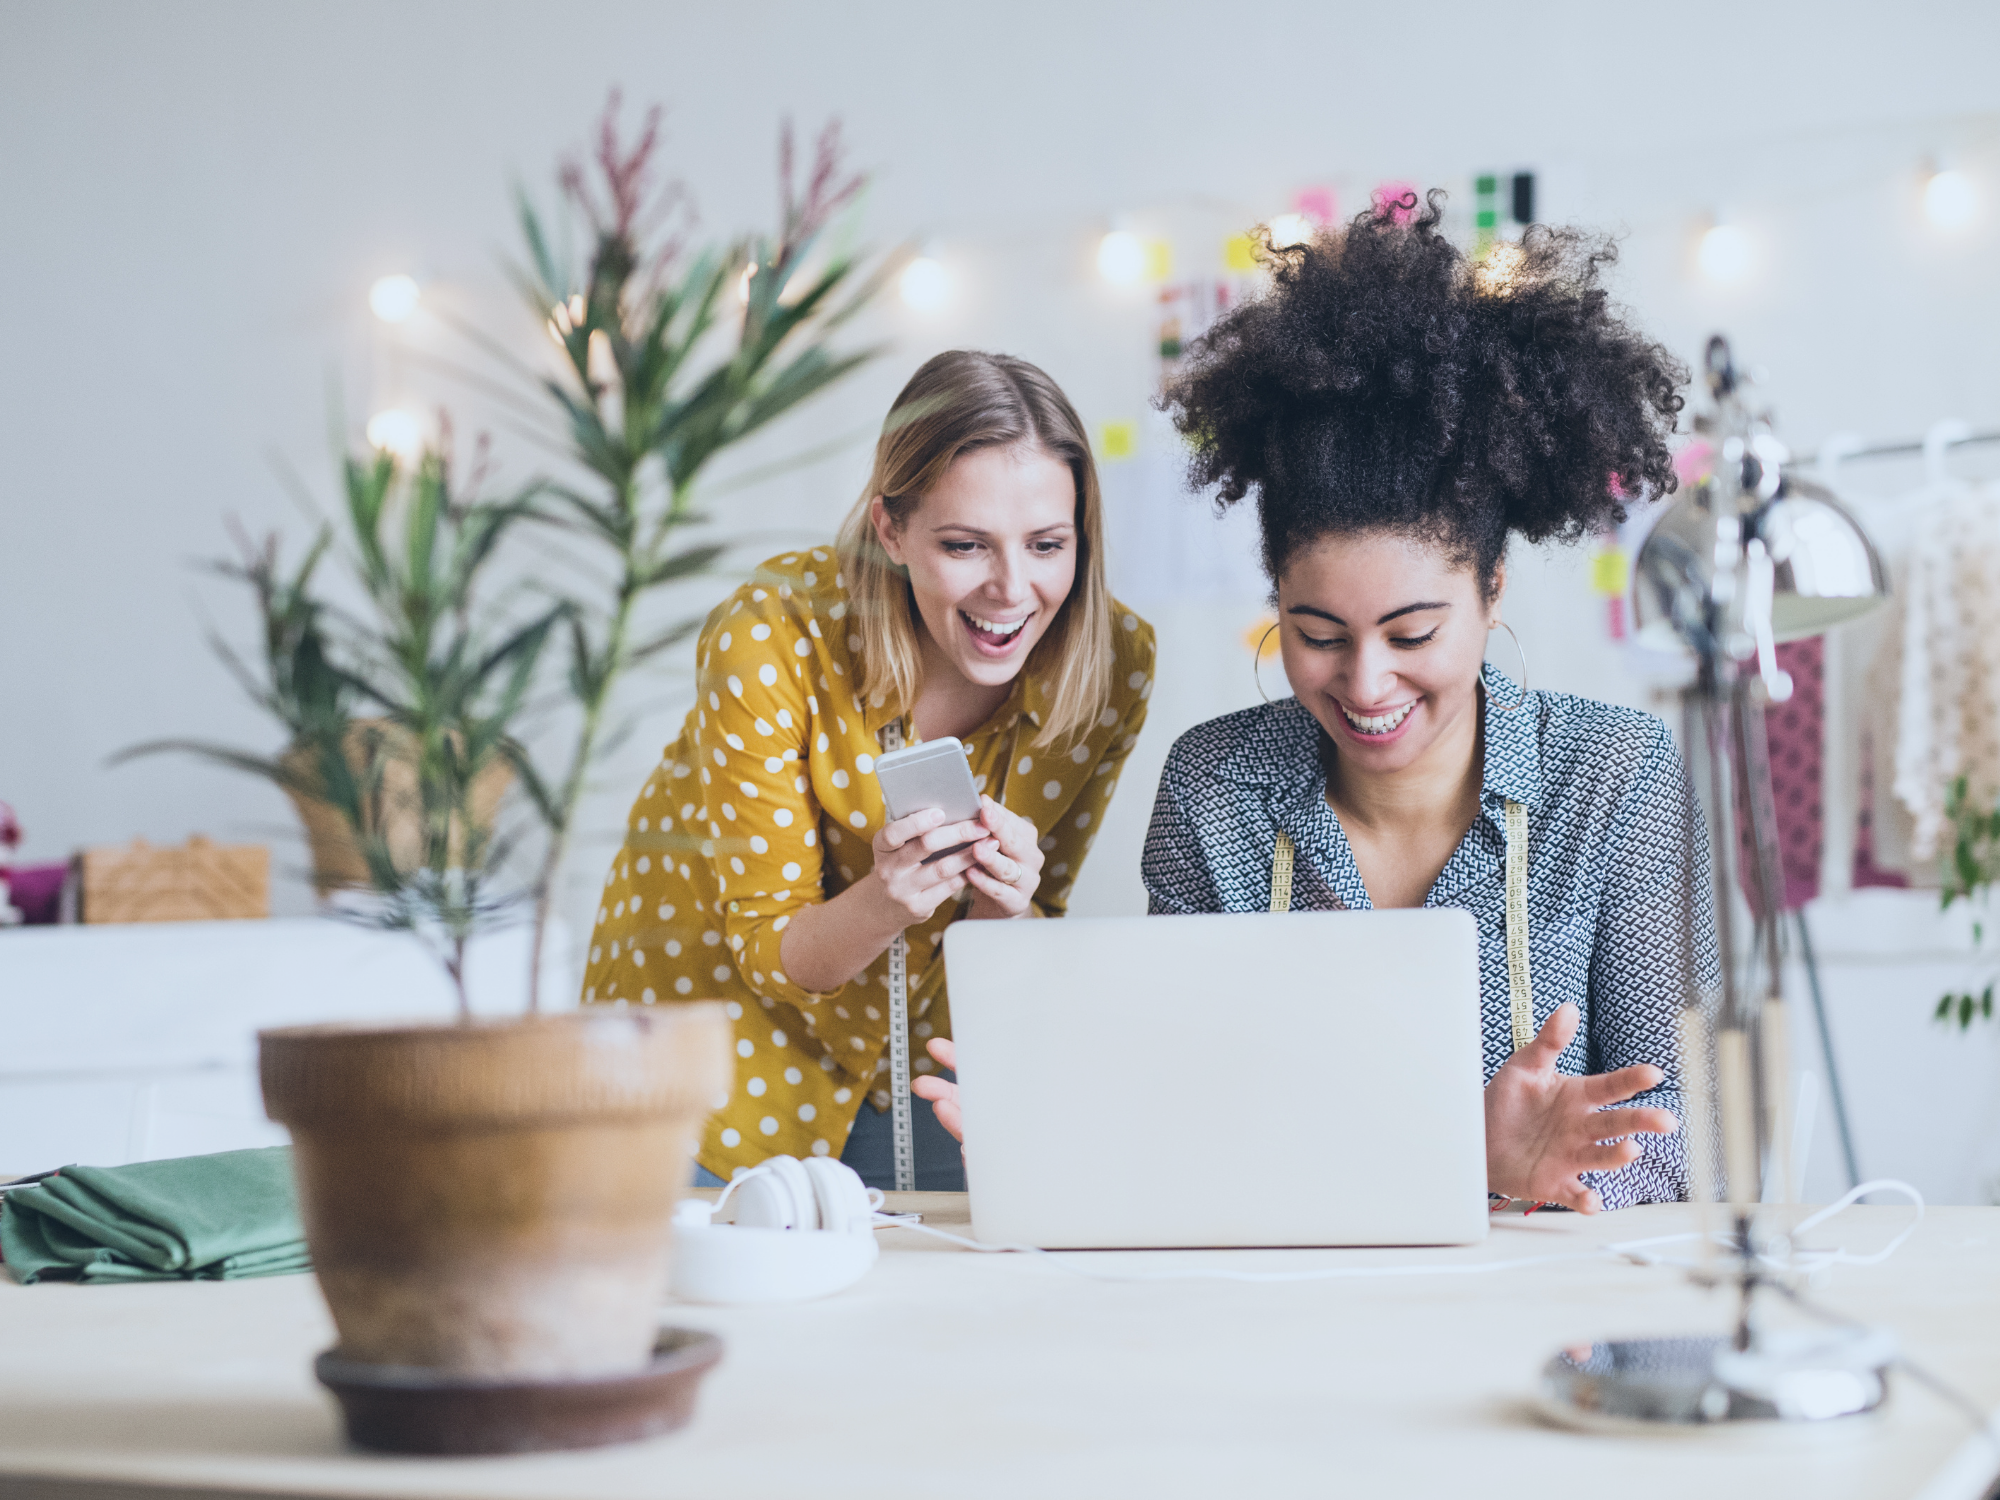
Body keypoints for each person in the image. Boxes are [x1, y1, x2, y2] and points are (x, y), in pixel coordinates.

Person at [921, 200, 1715, 1213]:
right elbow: (1191, 1116)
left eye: (1412, 633)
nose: (1366, 683)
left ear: (1491, 591)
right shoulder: (1215, 790)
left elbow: (1696, 1129)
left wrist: (1520, 1166)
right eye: (1317, 634)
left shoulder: (1614, 777)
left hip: (1545, 1314)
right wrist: (1066, 1115)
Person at [582, 350, 1156, 1190]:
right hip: (711, 1054)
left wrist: (1006, 907)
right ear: (891, 529)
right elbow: (769, 949)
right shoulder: (772, 634)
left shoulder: (1112, 665)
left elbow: (1019, 948)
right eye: (965, 545)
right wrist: (887, 900)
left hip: (916, 1061)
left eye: (1047, 545)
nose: (1012, 588)